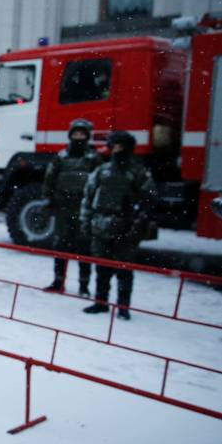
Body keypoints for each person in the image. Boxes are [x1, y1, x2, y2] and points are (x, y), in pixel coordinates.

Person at [81, 131, 156, 320]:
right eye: (114, 145)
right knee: (102, 267)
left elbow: (148, 201)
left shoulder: (138, 172)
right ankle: (101, 302)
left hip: (126, 227)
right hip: (102, 224)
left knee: (124, 269)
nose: (116, 150)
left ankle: (123, 307)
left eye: (120, 146)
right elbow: (88, 196)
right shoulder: (102, 170)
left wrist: (137, 225)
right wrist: (86, 221)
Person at [42, 119, 101, 295]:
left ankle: (84, 286)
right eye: (75, 134)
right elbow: (49, 180)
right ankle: (58, 282)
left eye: (82, 135)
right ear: (70, 136)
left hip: (83, 209)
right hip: (63, 209)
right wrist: (49, 200)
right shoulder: (60, 157)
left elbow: (99, 185)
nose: (78, 137)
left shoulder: (93, 159)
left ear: (87, 136)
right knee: (61, 246)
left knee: (85, 248)